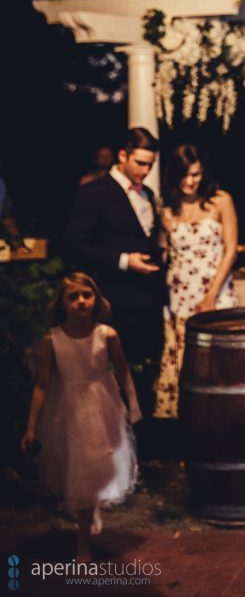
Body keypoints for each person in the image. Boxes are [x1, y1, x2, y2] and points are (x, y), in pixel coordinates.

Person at [21, 273, 140, 562]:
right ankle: (89, 515)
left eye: (86, 295)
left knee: (94, 466)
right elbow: (43, 384)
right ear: (62, 303)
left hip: (103, 407)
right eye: (73, 297)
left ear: (96, 299)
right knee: (79, 470)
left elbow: (122, 370)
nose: (81, 301)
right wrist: (31, 427)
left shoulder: (106, 334)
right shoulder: (53, 339)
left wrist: (133, 404)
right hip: (70, 411)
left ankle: (83, 545)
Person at [63, 128, 164, 436]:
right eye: (140, 163)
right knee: (115, 377)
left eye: (150, 165)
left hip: (149, 301)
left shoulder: (149, 195)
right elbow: (73, 245)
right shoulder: (94, 192)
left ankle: (143, 447)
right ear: (123, 155)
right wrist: (123, 261)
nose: (145, 171)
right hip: (115, 300)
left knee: (146, 377)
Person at [152, 145, 239, 420]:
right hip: (179, 297)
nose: (190, 181)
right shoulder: (167, 209)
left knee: (218, 363)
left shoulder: (221, 200)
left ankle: (222, 427)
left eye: (196, 174)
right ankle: (189, 433)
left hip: (215, 292)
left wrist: (212, 294)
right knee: (186, 365)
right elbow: (164, 252)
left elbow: (231, 248)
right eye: (185, 175)